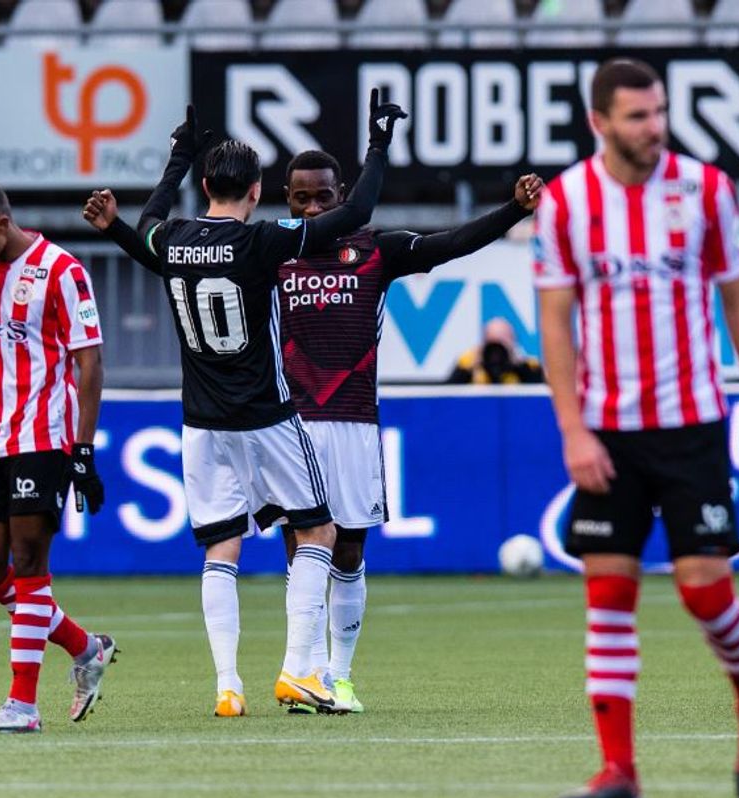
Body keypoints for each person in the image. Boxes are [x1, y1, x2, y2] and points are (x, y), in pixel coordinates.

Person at [86, 147, 543, 714]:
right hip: (285, 420)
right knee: (301, 544)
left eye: (322, 196)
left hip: (350, 422)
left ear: (341, 193)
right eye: (299, 197)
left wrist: (512, 211)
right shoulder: (271, 251)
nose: (310, 207)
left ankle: (338, 674)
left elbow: (451, 244)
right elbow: (179, 261)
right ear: (274, 195)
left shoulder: (376, 250)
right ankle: (303, 671)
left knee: (347, 551)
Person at [82, 96, 403, 717]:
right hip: (268, 416)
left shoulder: (171, 241)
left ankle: (228, 685)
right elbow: (359, 210)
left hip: (201, 424)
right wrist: (378, 146)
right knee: (319, 529)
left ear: (205, 185)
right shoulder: (263, 243)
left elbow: (143, 224)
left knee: (220, 548)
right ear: (257, 191)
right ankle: (296, 672)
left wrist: (177, 155)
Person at [533, 58, 739, 798]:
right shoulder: (568, 201)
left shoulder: (704, 190)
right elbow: (555, 322)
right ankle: (618, 770)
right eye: (638, 115)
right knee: (607, 593)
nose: (654, 126)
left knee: (707, 597)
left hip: (692, 423)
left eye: (659, 111)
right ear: (599, 123)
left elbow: (738, 302)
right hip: (608, 429)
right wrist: (573, 429)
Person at [0, 180, 116, 733]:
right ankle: (85, 647)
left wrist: (83, 449)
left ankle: (22, 706)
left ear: (2, 224)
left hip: (45, 436)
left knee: (31, 563)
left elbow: (90, 363)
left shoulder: (59, 269)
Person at [447, 318, 543, 384]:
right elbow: (448, 394)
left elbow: (541, 394)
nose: (497, 350)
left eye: (503, 339)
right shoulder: (467, 363)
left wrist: (521, 367)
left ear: (513, 342)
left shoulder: (528, 365)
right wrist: (469, 370)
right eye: (492, 340)